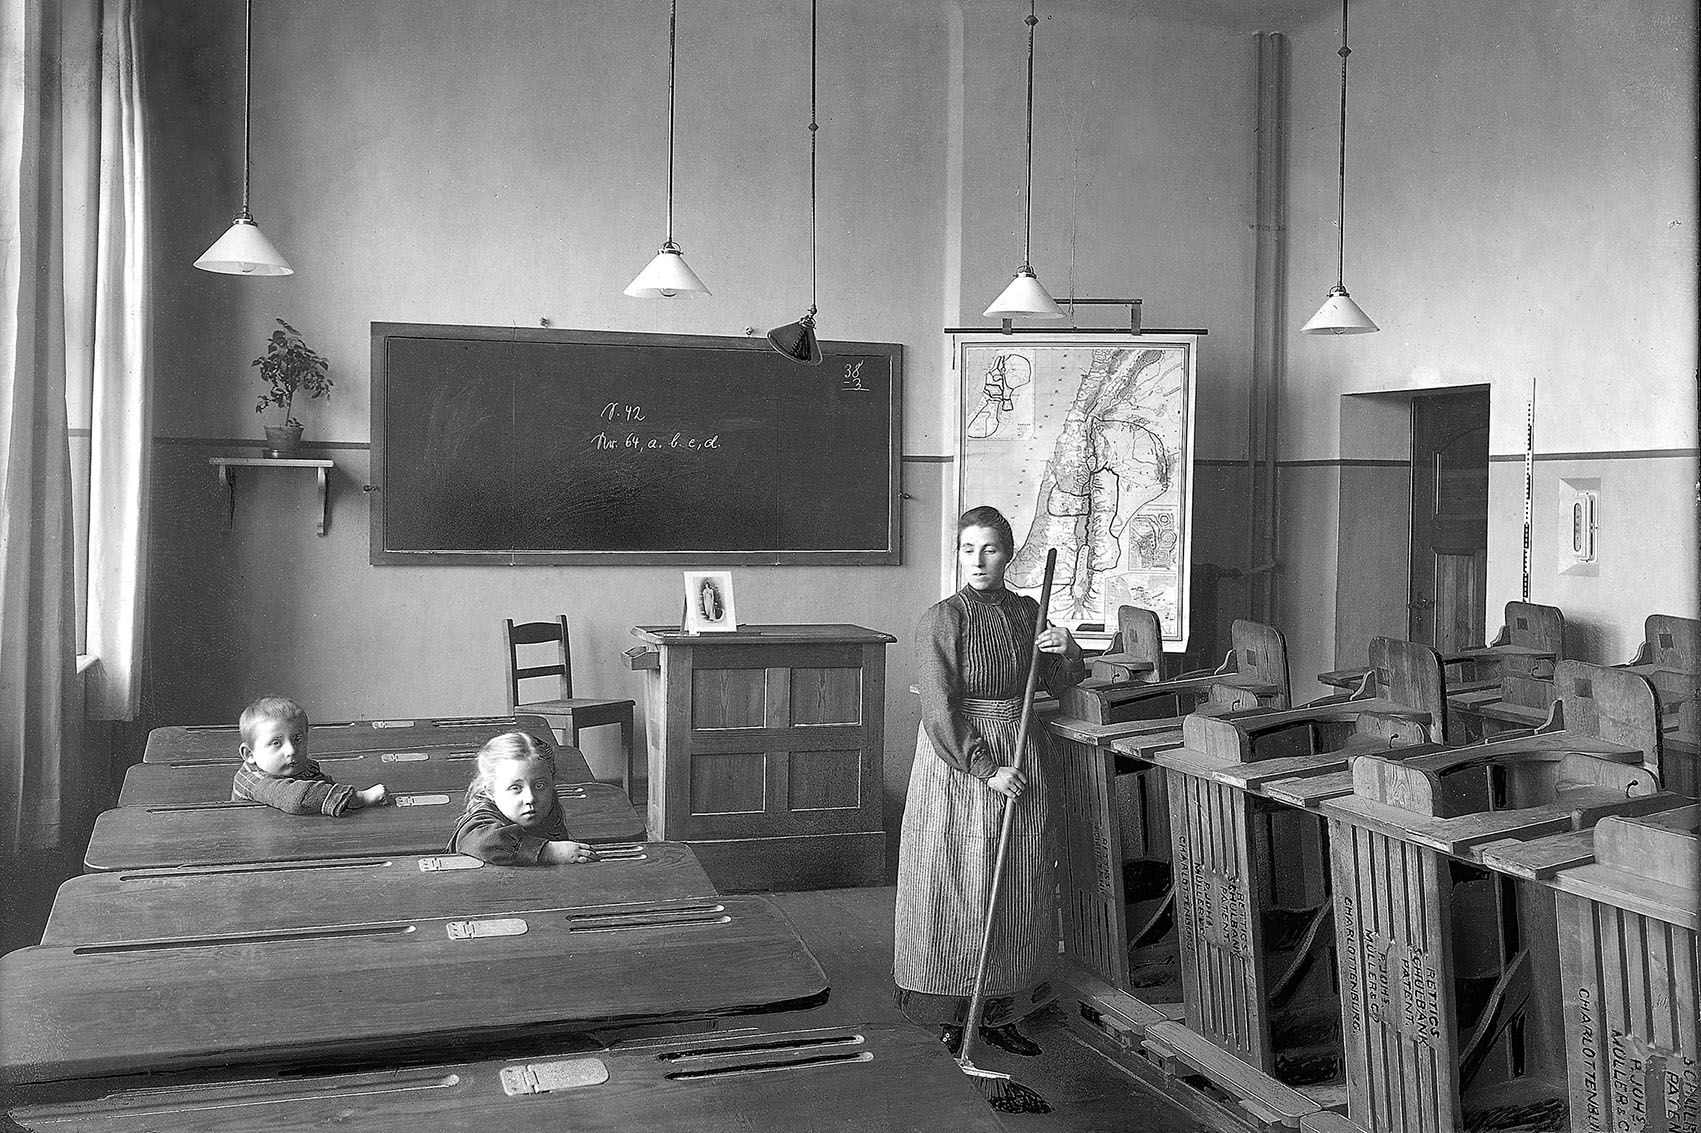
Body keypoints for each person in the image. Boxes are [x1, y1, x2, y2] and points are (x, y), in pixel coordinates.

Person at [894, 505, 1084, 1058]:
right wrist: (985, 767)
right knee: (959, 882)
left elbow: (1060, 678)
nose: (978, 561)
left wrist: (1065, 648)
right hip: (959, 766)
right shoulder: (941, 619)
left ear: (1008, 554)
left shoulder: (1029, 613)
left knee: (1018, 882)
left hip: (1022, 748)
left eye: (990, 549)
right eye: (967, 549)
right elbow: (937, 708)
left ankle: (1003, 1010)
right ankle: (954, 1014)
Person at [448, 731, 600, 866]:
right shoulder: (479, 824)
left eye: (540, 785)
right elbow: (483, 843)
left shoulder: (549, 809)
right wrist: (550, 852)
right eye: (516, 788)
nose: (530, 798)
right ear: (490, 791)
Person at [231, 695, 388, 815]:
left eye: (297, 738)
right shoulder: (253, 781)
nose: (291, 750)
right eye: (276, 743)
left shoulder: (294, 767)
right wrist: (362, 798)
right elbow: (297, 797)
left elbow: (323, 785)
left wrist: (343, 800)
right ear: (249, 754)